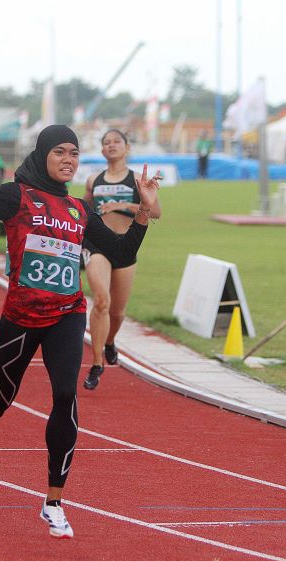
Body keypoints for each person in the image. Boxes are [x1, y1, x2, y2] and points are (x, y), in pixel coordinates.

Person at [0, 121, 161, 539]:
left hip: (67, 314)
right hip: (21, 317)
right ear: (43, 154)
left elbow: (119, 252)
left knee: (66, 395)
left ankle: (54, 502)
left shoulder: (79, 210)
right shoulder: (16, 195)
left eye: (75, 153)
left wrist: (143, 212)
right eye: (61, 152)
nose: (69, 160)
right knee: (1, 398)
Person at [81, 130, 162, 390]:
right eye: (106, 142)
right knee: (101, 301)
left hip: (125, 247)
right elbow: (83, 213)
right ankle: (96, 364)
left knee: (117, 311)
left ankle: (109, 342)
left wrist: (123, 206)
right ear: (102, 150)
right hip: (97, 247)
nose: (111, 145)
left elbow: (156, 213)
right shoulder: (93, 180)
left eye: (116, 141)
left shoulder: (138, 179)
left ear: (127, 147)